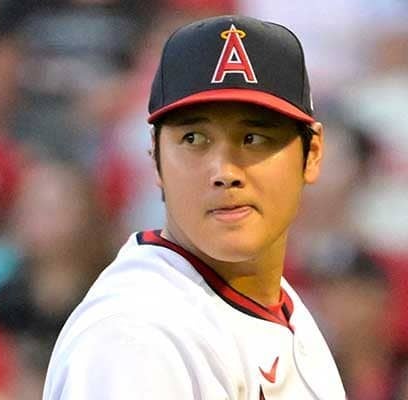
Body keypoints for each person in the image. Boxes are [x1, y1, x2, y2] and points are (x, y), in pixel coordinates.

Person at [43, 15, 345, 399]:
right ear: (156, 159)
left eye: (253, 137)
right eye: (194, 138)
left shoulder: (282, 309)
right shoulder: (136, 339)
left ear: (312, 153)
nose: (225, 172)